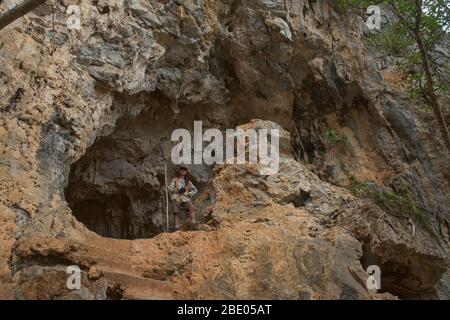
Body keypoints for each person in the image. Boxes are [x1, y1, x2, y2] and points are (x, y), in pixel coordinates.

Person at [168, 166, 198, 231]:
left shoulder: (188, 182)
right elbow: (171, 189)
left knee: (192, 208)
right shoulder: (175, 180)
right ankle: (177, 227)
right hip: (176, 196)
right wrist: (169, 187)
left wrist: (188, 194)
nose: (182, 171)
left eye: (184, 170)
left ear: (186, 172)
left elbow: (195, 190)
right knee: (176, 212)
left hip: (185, 197)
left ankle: (193, 223)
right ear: (179, 171)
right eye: (181, 170)